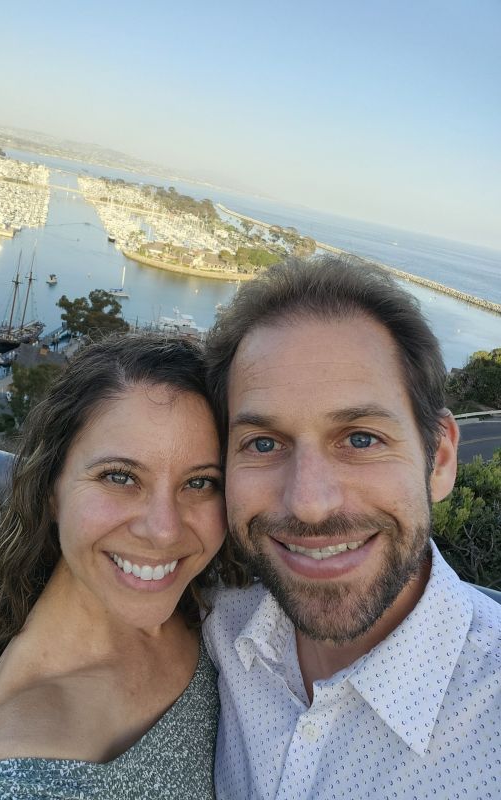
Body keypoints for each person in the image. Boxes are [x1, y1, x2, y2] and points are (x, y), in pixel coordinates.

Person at [203, 256, 501, 800]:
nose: (310, 505)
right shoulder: (217, 626)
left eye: (361, 439)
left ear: (439, 459)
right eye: (263, 444)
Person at [0, 334, 228, 800]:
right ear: (51, 489)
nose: (164, 530)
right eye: (120, 477)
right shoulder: (9, 783)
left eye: (200, 483)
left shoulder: (208, 605)